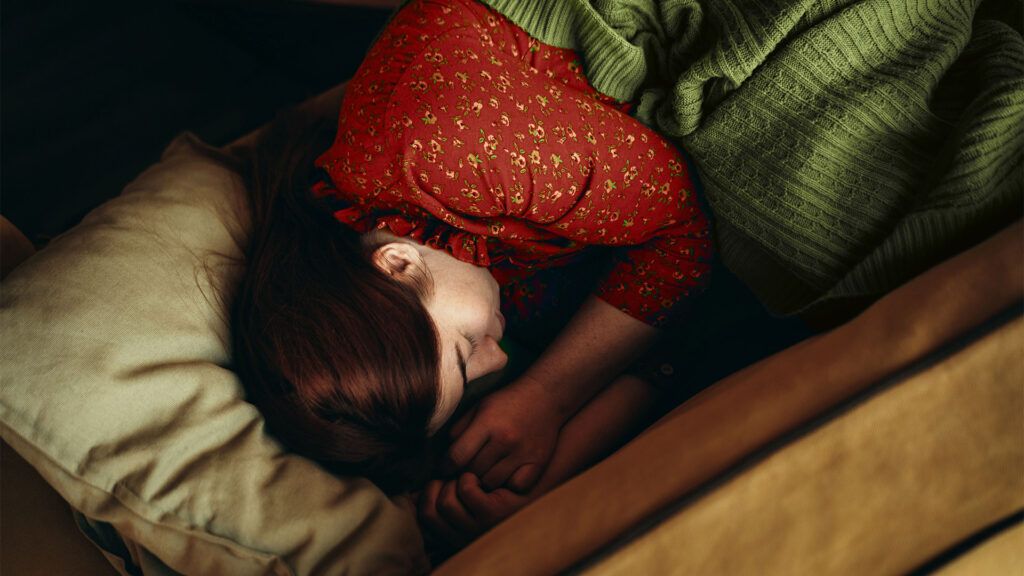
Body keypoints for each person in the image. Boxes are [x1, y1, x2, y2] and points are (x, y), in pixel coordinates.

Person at [228, 0, 712, 548]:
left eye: (464, 350)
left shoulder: (444, 156)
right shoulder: (433, 250)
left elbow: (684, 232)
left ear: (398, 266)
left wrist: (547, 394)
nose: (495, 358)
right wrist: (542, 465)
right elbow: (662, 351)